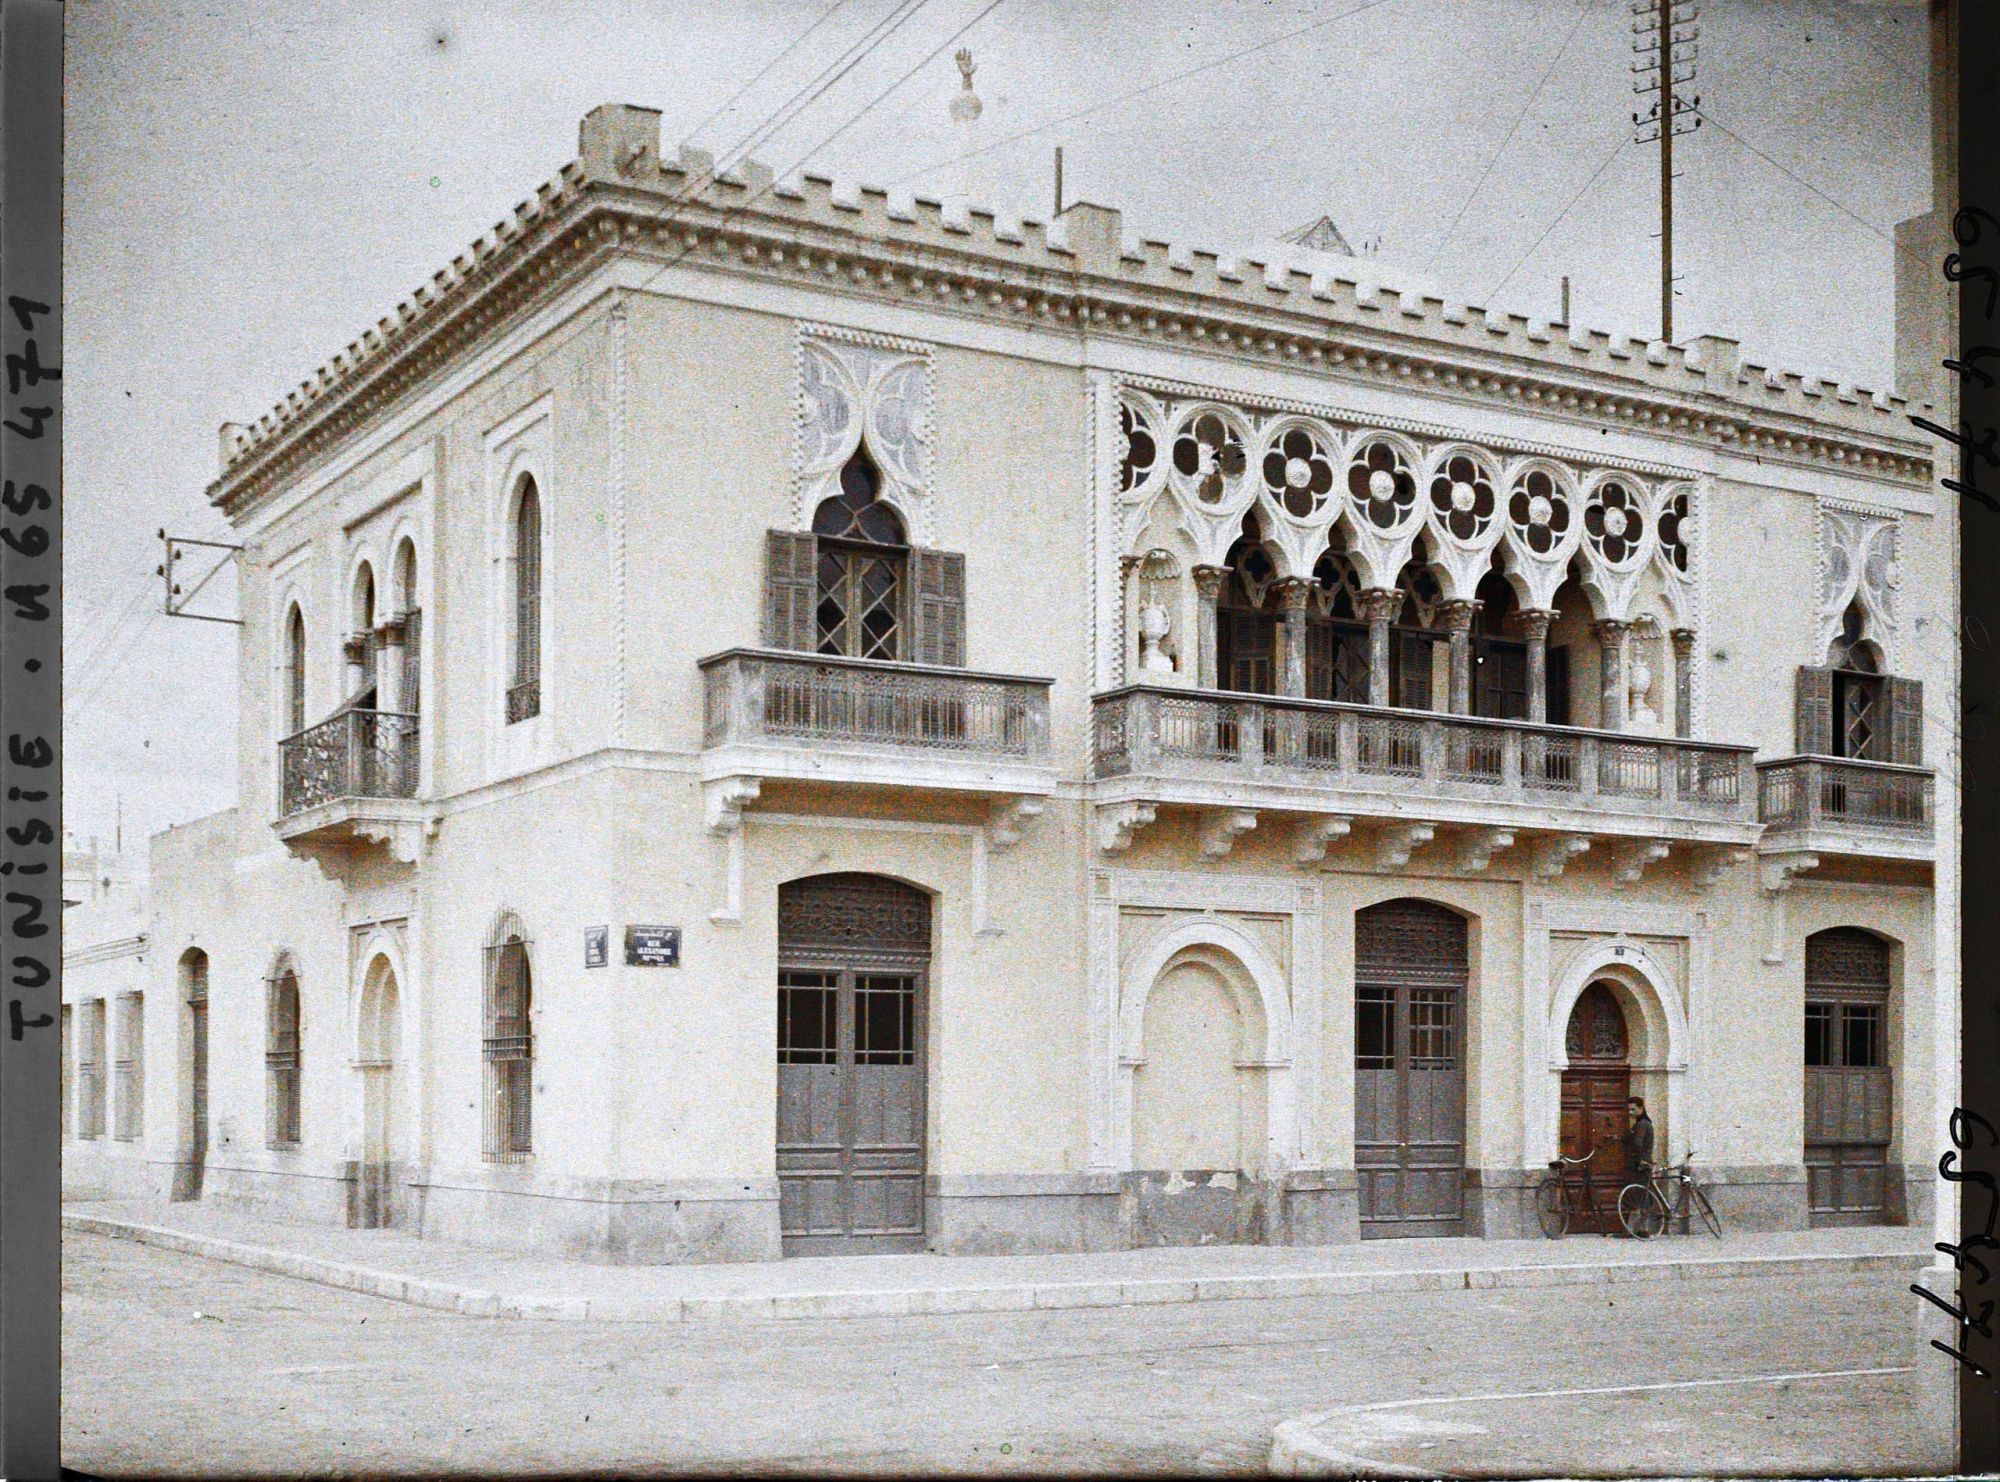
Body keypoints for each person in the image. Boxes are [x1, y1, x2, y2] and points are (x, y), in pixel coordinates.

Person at [1625, 1097, 1655, 1198]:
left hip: (1640, 1163)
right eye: (1628, 1109)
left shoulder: (1641, 1124)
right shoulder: (1644, 1123)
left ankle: (1643, 1213)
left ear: (1641, 1108)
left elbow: (1637, 1143)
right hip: (1644, 1160)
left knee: (1640, 1192)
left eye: (1633, 1109)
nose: (1630, 1112)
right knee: (1643, 1191)